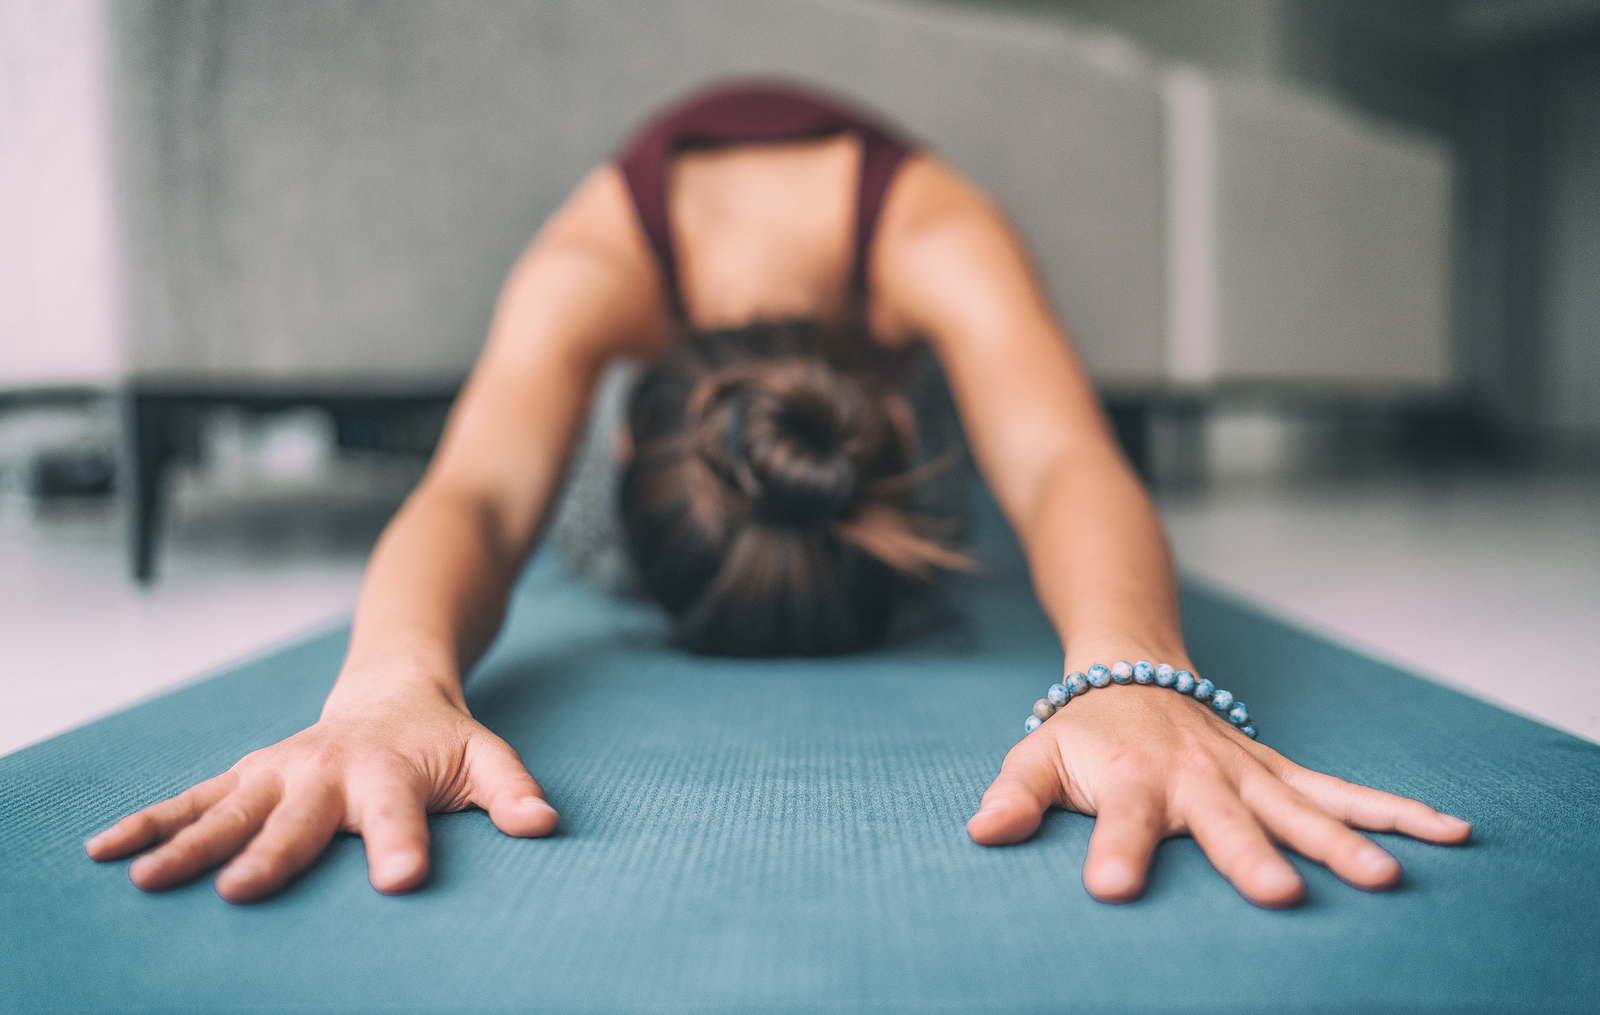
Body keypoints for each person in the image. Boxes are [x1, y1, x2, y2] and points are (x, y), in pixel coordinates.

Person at [85, 81, 1471, 908]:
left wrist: (1137, 669)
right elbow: (479, 495)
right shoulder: (588, 274)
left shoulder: (933, 238)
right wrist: (390, 685)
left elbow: (1057, 462)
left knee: (948, 505)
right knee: (568, 511)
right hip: (673, 410)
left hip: (863, 398)